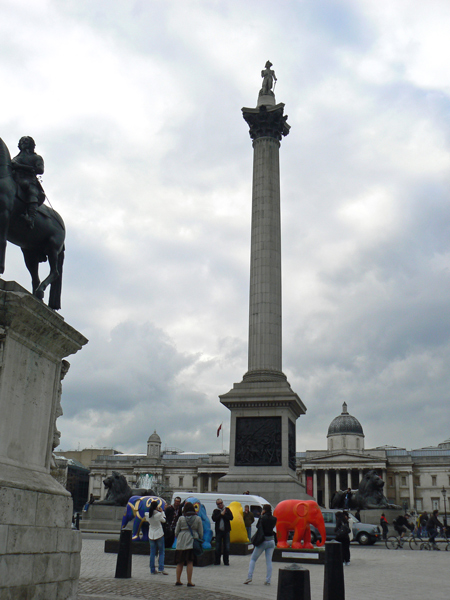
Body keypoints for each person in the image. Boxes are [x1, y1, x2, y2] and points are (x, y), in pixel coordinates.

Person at [11, 136, 45, 229]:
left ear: (31, 144)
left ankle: (31, 218)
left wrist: (19, 166)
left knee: (31, 191)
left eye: (26, 141)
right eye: (21, 141)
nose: (23, 142)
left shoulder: (36, 157)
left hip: (29, 180)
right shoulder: (15, 158)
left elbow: (40, 170)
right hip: (15, 179)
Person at [244, 504, 277, 585]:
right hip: (271, 541)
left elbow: (258, 526)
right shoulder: (274, 519)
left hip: (263, 541)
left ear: (264, 510)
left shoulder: (262, 518)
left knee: (253, 559)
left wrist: (261, 516)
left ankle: (249, 577)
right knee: (269, 561)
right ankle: (268, 580)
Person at [174, 501, 203, 587]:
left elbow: (176, 531)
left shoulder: (181, 518)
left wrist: (179, 536)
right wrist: (199, 538)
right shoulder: (197, 519)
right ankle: (189, 581)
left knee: (180, 562)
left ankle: (178, 580)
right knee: (190, 562)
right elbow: (200, 532)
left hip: (181, 542)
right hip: (191, 540)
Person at [145, 501, 168, 575]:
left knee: (152, 552)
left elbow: (148, 521)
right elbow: (164, 520)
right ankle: (161, 568)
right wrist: (162, 512)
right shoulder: (158, 514)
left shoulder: (147, 514)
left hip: (151, 534)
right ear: (156, 507)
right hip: (159, 534)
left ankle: (152, 569)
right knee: (161, 552)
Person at [212, 498, 233, 566]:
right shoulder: (216, 511)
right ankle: (217, 561)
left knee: (226, 547)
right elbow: (214, 519)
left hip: (226, 531)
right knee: (218, 546)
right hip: (219, 531)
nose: (220, 505)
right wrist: (220, 514)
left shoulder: (227, 509)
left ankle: (226, 561)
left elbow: (231, 517)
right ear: (217, 505)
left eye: (221, 503)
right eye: (218, 504)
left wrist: (224, 515)